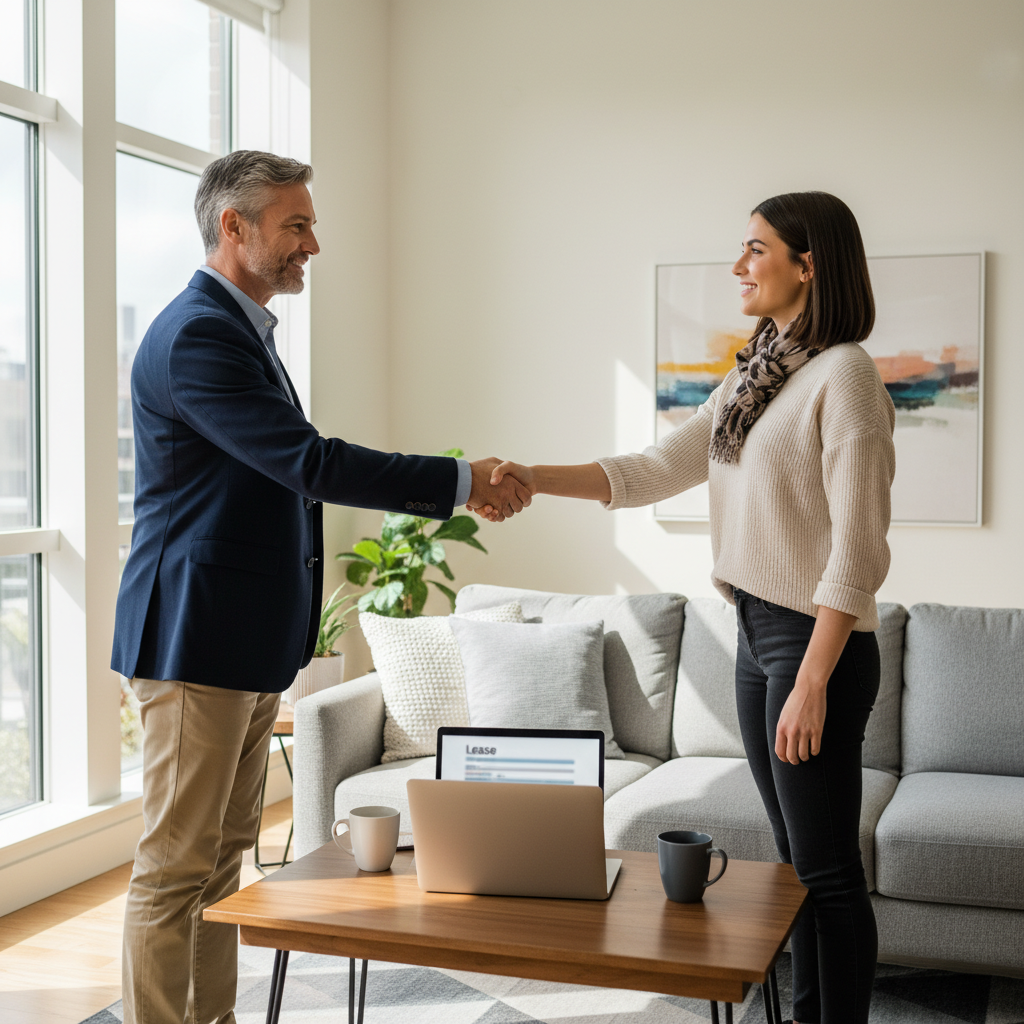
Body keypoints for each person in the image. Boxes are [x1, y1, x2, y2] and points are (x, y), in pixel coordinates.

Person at [111, 149, 531, 1024]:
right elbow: (309, 463)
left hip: (241, 640)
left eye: (310, 223)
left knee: (222, 858)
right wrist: (461, 479)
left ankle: (212, 1018)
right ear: (235, 227)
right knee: (174, 866)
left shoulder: (239, 331)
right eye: (295, 224)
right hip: (193, 641)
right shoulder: (198, 335)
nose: (313, 243)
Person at [481, 192, 895, 1024]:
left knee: (825, 871)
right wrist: (527, 473)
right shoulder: (759, 371)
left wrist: (812, 678)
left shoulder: (844, 373)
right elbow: (652, 470)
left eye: (755, 249)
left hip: (814, 646)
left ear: (808, 265)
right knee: (793, 859)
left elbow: (858, 548)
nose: (738, 266)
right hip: (753, 633)